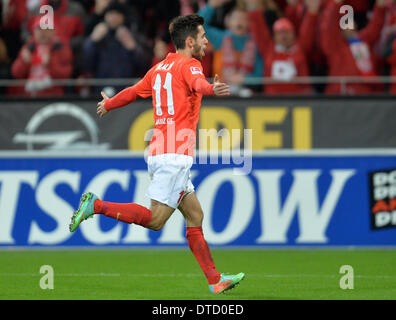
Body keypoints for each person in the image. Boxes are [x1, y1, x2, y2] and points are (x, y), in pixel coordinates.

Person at [69, 13, 245, 295]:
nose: (206, 41)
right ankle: (96, 206)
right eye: (202, 36)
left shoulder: (159, 68)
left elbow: (134, 91)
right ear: (189, 41)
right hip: (175, 154)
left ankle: (214, 280)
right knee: (155, 220)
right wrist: (212, 88)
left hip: (160, 150)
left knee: (195, 215)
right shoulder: (191, 65)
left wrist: (110, 104)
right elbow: (199, 84)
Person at [248, 0, 320, 94]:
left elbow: (308, 30)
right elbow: (259, 29)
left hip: (299, 99)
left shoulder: (301, 48)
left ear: (293, 34)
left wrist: (312, 12)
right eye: (280, 33)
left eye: (286, 32)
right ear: (274, 36)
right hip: (274, 100)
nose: (284, 36)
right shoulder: (268, 48)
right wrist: (253, 7)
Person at [320, 0, 386, 94]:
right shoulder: (334, 45)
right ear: (340, 30)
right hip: (339, 94)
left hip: (365, 92)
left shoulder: (363, 40)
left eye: (350, 23)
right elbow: (328, 27)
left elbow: (376, 25)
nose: (349, 27)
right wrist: (335, 3)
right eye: (345, 24)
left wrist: (380, 6)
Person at [198, 0, 263, 96]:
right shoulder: (220, 38)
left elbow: (260, 76)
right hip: (219, 94)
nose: (239, 21)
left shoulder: (255, 43)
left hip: (247, 95)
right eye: (236, 18)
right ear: (228, 21)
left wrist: (245, 79)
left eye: (243, 19)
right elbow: (196, 26)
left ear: (249, 23)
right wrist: (211, 6)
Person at [11, 17, 73, 96]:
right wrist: (24, 62)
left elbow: (66, 74)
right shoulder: (28, 47)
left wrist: (50, 64)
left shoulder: (60, 48)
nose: (43, 32)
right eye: (39, 29)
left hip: (52, 95)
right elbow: (16, 73)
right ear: (34, 31)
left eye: (47, 28)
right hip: (29, 95)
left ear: (54, 31)